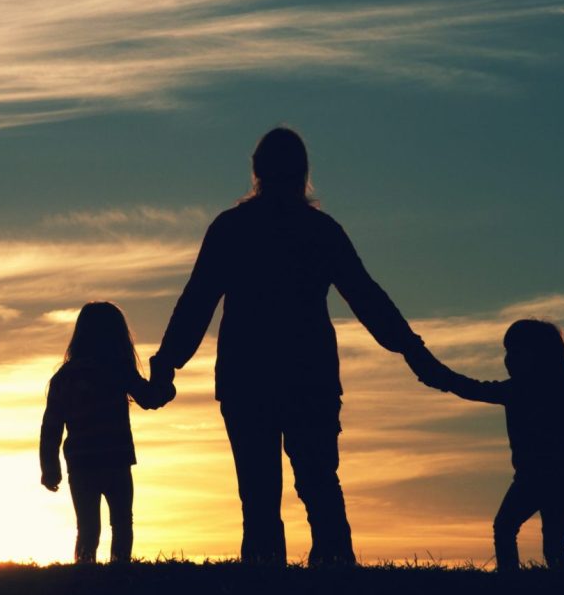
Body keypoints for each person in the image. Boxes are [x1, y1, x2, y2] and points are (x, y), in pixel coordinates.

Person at [149, 127, 434, 567]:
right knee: (319, 483)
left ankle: (268, 576)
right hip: (308, 374)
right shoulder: (319, 230)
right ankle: (335, 573)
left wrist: (168, 363)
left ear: (256, 171)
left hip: (248, 376)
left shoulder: (232, 228)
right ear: (303, 173)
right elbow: (366, 296)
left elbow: (198, 300)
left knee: (260, 495)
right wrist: (412, 350)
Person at [410, 319, 564, 572]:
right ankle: (557, 585)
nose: (508, 359)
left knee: (506, 527)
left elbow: (472, 389)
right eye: (507, 352)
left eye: (516, 351)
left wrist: (436, 374)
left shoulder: (523, 389)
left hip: (535, 478)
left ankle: (510, 581)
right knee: (555, 544)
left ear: (538, 355)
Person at [39, 301, 175, 563]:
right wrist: (166, 386)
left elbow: (51, 429)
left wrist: (50, 468)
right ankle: (120, 570)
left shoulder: (64, 378)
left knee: (88, 527)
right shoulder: (117, 370)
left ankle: (85, 571)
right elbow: (148, 398)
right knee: (122, 522)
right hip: (116, 459)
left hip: (81, 464)